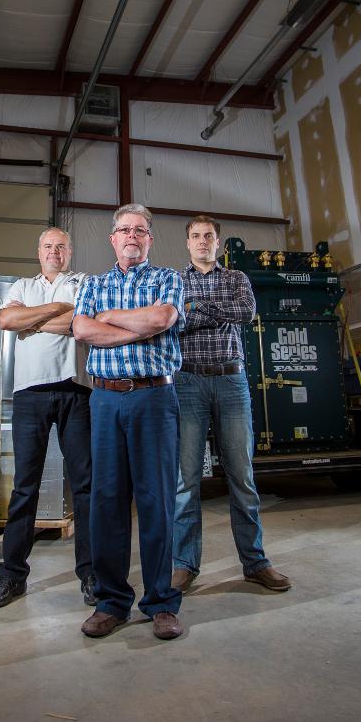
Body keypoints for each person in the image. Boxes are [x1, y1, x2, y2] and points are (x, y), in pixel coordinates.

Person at [72, 204, 185, 640]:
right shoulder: (93, 283)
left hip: (154, 397)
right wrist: (138, 328)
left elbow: (162, 318)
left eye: (140, 230)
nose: (132, 236)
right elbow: (82, 330)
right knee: (107, 501)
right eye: (124, 230)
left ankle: (161, 602)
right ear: (113, 238)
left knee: (156, 500)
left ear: (149, 239)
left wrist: (109, 319)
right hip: (105, 399)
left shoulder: (167, 279)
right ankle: (111, 602)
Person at [172, 214, 291, 593]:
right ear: (187, 243)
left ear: (218, 242)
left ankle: (255, 562)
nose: (202, 241)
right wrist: (209, 312)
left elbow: (245, 313)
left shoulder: (237, 278)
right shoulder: (174, 281)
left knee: (242, 476)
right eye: (196, 236)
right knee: (186, 481)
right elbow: (175, 322)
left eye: (208, 236)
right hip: (188, 382)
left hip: (231, 381)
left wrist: (198, 307)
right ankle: (184, 564)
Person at [0, 227, 96, 608]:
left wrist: (30, 321)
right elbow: (6, 321)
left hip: (76, 390)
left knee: (85, 486)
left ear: (70, 252)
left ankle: (91, 574)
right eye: (48, 246)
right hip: (29, 393)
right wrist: (56, 310)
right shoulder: (22, 286)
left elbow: (81, 323)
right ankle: (12, 576)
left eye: (61, 246)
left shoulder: (83, 283)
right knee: (24, 487)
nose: (54, 252)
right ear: (39, 252)